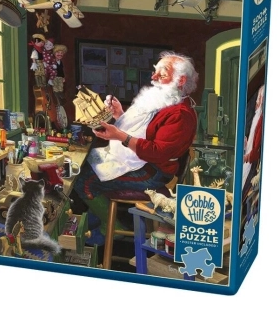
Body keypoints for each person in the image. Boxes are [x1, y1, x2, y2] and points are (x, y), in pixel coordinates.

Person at [73, 51, 199, 244]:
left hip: (153, 172)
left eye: (162, 74)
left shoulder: (180, 114)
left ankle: (112, 228)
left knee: (84, 179)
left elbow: (156, 152)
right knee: (84, 166)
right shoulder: (167, 102)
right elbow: (144, 131)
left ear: (180, 80)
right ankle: (96, 219)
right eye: (155, 71)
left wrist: (119, 135)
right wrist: (119, 115)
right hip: (144, 162)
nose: (153, 77)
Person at [242, 84, 265, 193]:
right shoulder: (256, 117)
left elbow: (255, 150)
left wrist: (247, 156)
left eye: (259, 98)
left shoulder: (261, 120)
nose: (256, 101)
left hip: (252, 163)